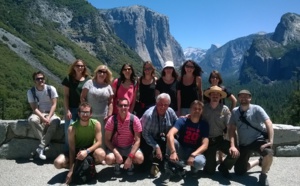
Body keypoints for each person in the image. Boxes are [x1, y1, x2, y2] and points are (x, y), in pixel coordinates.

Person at [228, 90, 274, 186]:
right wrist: (233, 145)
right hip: (244, 144)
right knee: (239, 172)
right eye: (241, 96)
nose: (244, 98)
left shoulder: (257, 109)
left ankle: (263, 175)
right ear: (239, 98)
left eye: (246, 96)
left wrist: (270, 141)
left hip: (258, 140)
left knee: (269, 153)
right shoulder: (235, 111)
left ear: (250, 98)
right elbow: (232, 129)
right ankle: (259, 161)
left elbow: (268, 123)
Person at [53, 102, 106, 184]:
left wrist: (87, 151)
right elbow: (71, 149)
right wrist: (71, 170)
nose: (85, 114)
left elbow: (99, 142)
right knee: (57, 163)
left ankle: (88, 166)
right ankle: (79, 167)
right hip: (77, 150)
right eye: (82, 112)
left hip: (90, 149)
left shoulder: (96, 124)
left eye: (87, 112)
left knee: (101, 155)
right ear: (78, 113)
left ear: (91, 114)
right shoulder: (72, 128)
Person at [166, 100, 209, 183]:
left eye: (199, 109)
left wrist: (193, 155)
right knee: (172, 141)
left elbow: (205, 145)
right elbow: (169, 134)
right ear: (190, 109)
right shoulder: (182, 121)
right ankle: (172, 167)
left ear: (202, 111)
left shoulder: (204, 125)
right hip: (181, 150)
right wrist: (173, 152)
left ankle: (194, 170)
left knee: (200, 162)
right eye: (194, 108)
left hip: (194, 152)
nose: (197, 110)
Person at [202, 86, 237, 178]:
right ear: (209, 96)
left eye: (217, 94)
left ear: (220, 97)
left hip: (219, 139)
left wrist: (233, 146)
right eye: (213, 94)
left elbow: (230, 128)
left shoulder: (225, 110)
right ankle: (210, 163)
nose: (215, 96)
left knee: (235, 153)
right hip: (207, 141)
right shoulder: (203, 108)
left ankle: (224, 167)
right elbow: (195, 118)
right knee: (210, 171)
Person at [204, 70, 237, 164]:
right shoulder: (206, 90)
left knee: (221, 135)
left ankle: (221, 158)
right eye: (213, 77)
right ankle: (213, 158)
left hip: (221, 113)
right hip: (210, 113)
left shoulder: (223, 89)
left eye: (216, 77)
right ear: (210, 79)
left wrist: (230, 112)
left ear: (219, 79)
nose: (214, 79)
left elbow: (234, 100)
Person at [140, 93, 178, 176]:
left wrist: (185, 119)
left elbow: (177, 124)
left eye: (165, 105)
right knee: (143, 166)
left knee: (172, 141)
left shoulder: (170, 112)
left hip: (161, 136)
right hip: (146, 137)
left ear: (168, 105)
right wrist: (156, 147)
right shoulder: (148, 115)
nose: (163, 107)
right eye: (160, 104)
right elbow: (145, 134)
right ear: (156, 103)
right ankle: (148, 163)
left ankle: (166, 163)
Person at [104, 97, 144, 176]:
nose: (123, 108)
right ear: (117, 107)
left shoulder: (135, 120)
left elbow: (138, 141)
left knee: (140, 159)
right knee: (109, 159)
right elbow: (107, 140)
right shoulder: (111, 120)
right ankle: (117, 164)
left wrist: (130, 157)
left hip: (130, 147)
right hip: (116, 146)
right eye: (121, 105)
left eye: (125, 105)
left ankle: (130, 163)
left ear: (129, 106)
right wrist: (116, 153)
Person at [27, 71, 61, 160]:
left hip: (50, 113)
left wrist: (49, 117)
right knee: (32, 120)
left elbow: (54, 104)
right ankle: (46, 144)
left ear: (44, 79)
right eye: (38, 79)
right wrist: (42, 117)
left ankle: (41, 147)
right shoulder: (31, 92)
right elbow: (34, 108)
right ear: (34, 81)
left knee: (56, 121)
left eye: (42, 78)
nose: (40, 80)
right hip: (38, 113)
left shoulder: (51, 89)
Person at [81, 65, 114, 149]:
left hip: (103, 117)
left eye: (104, 72)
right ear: (96, 72)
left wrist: (109, 115)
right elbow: (82, 97)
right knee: (89, 137)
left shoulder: (108, 86)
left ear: (107, 74)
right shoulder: (89, 83)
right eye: (100, 71)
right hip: (90, 116)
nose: (102, 73)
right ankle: (88, 155)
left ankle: (100, 156)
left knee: (102, 138)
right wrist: (85, 112)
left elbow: (110, 102)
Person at [62, 59, 90, 151]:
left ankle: (82, 152)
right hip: (72, 108)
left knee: (83, 131)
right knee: (69, 130)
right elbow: (66, 96)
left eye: (82, 66)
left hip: (84, 110)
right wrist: (67, 110)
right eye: (78, 66)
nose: (80, 67)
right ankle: (68, 152)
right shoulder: (68, 79)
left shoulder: (88, 79)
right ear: (74, 67)